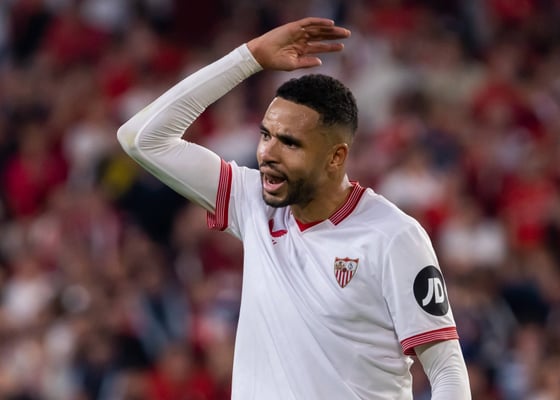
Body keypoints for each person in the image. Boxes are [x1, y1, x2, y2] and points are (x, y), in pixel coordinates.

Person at [117, 17, 471, 399]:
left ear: (336, 157)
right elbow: (141, 139)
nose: (267, 153)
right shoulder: (252, 202)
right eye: (265, 135)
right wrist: (249, 57)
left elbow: (446, 369)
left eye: (289, 143)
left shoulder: (393, 237)